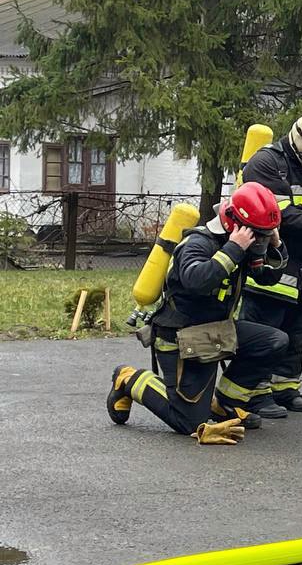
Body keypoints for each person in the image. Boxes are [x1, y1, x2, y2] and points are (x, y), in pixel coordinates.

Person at [107, 182, 289, 444]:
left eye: (265, 234)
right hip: (181, 338)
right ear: (235, 224)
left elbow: (268, 278)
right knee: (189, 423)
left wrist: (276, 244)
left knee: (275, 341)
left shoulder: (243, 243)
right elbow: (196, 280)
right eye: (257, 235)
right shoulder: (198, 243)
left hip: (217, 333)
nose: (259, 241)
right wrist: (234, 249)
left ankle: (223, 404)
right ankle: (129, 378)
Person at [240, 114, 302, 415]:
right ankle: (253, 392)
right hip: (271, 261)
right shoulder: (267, 163)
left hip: (301, 267)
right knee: (264, 330)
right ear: (300, 140)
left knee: (296, 332)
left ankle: (285, 389)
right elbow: (275, 211)